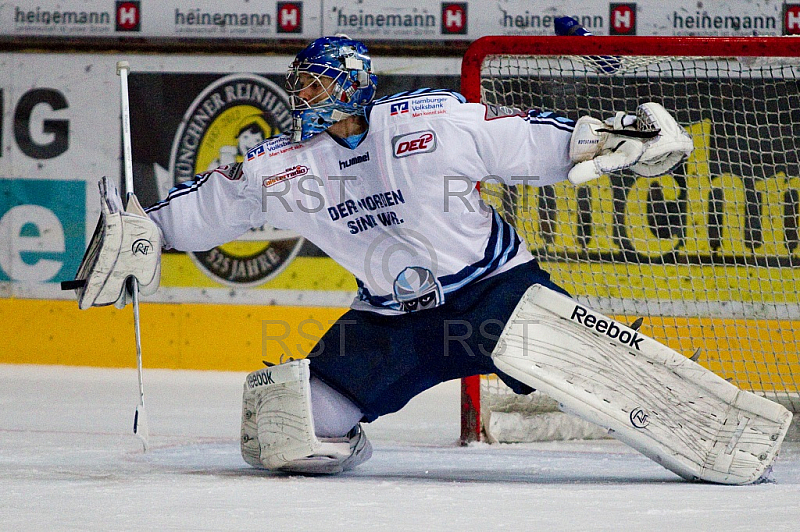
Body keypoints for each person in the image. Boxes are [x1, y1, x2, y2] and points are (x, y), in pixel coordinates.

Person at [72, 35, 700, 476]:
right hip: (390, 325)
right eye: (300, 83)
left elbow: (519, 136)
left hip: (497, 295)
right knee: (287, 431)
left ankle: (697, 418)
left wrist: (607, 138)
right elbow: (219, 202)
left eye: (315, 81)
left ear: (350, 83)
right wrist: (150, 231)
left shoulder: (427, 122)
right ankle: (345, 433)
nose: (303, 94)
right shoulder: (289, 166)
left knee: (610, 379)